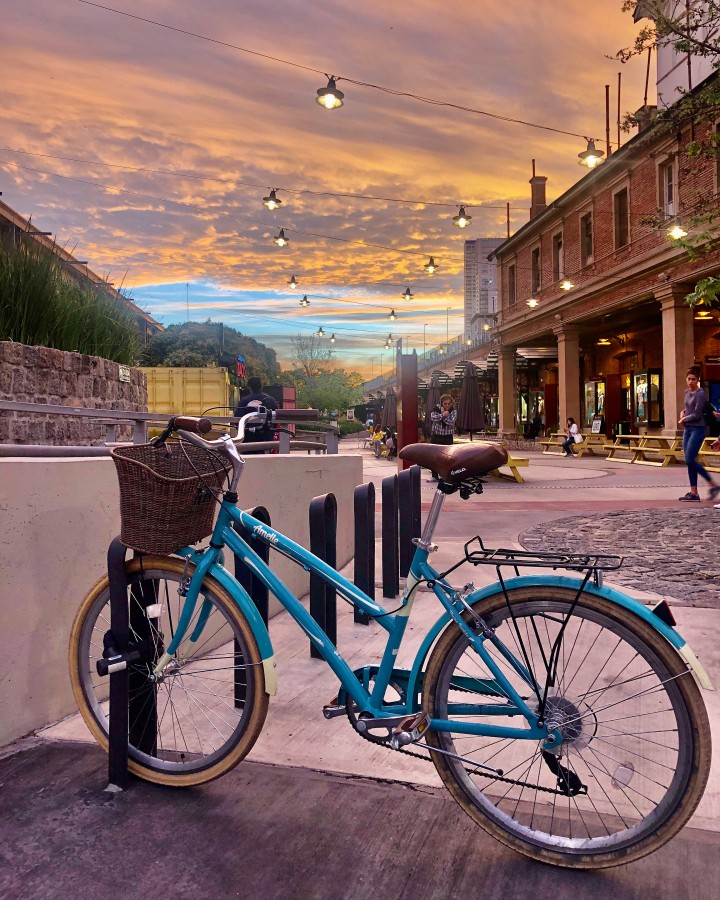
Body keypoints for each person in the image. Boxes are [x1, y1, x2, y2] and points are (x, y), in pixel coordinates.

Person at [679, 366, 720, 502]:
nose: (691, 382)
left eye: (693, 379)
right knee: (690, 461)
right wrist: (683, 412)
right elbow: (689, 408)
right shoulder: (686, 392)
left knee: (690, 459)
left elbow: (696, 414)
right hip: (688, 429)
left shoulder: (700, 393)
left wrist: (684, 419)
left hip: (698, 428)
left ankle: (713, 484)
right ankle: (694, 493)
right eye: (689, 379)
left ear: (698, 380)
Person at [233, 376, 278, 453]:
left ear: (249, 387)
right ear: (261, 386)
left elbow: (237, 420)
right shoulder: (271, 400)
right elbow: (276, 419)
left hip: (248, 440)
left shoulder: (243, 401)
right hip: (266, 439)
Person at [428, 394, 457, 481]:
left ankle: (445, 475)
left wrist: (443, 416)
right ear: (441, 403)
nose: (447, 405)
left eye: (449, 404)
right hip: (436, 436)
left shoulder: (453, 411)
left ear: (451, 403)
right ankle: (434, 476)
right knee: (434, 457)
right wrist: (443, 415)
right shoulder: (436, 408)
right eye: (445, 404)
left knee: (447, 458)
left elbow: (451, 422)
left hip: (447, 437)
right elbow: (433, 418)